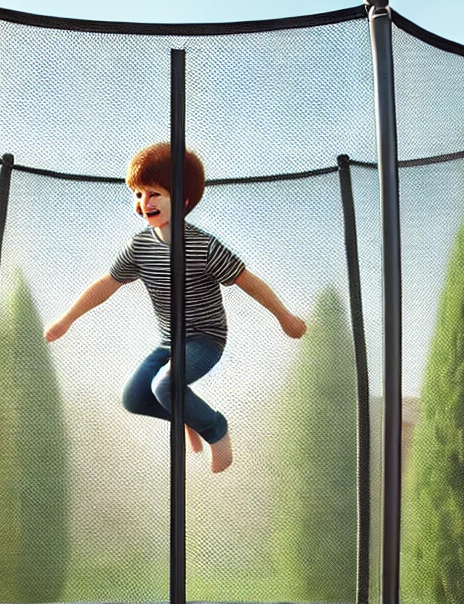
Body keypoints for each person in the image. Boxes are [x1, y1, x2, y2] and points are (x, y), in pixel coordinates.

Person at [44, 142, 306, 473]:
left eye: (153, 194)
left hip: (206, 339)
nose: (144, 203)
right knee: (135, 398)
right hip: (169, 342)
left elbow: (249, 282)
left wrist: (285, 317)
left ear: (182, 200)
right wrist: (67, 320)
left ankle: (215, 427)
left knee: (164, 386)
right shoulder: (139, 247)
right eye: (139, 194)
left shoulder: (204, 246)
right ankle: (189, 416)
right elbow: (105, 286)